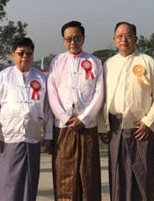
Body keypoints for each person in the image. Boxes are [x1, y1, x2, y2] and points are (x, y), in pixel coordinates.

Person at [98, 21, 154, 201]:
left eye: (128, 36)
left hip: (140, 129)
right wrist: (103, 126)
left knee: (143, 176)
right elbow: (101, 97)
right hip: (115, 129)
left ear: (135, 39)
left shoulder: (147, 62)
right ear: (114, 40)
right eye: (119, 36)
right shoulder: (108, 64)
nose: (124, 40)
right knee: (118, 176)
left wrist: (148, 122)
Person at [0, 37, 53, 201]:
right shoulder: (2, 77)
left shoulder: (41, 78)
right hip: (10, 137)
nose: (25, 57)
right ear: (13, 55)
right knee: (9, 180)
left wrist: (48, 135)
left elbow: (47, 108)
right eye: (21, 53)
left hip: (32, 137)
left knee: (30, 179)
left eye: (28, 53)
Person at [47, 20, 104, 201]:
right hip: (64, 128)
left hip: (87, 126)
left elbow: (99, 93)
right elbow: (52, 94)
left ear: (83, 38)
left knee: (89, 175)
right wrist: (65, 118)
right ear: (63, 40)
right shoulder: (56, 62)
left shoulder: (95, 62)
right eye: (69, 39)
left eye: (77, 38)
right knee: (64, 176)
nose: (73, 42)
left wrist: (84, 118)